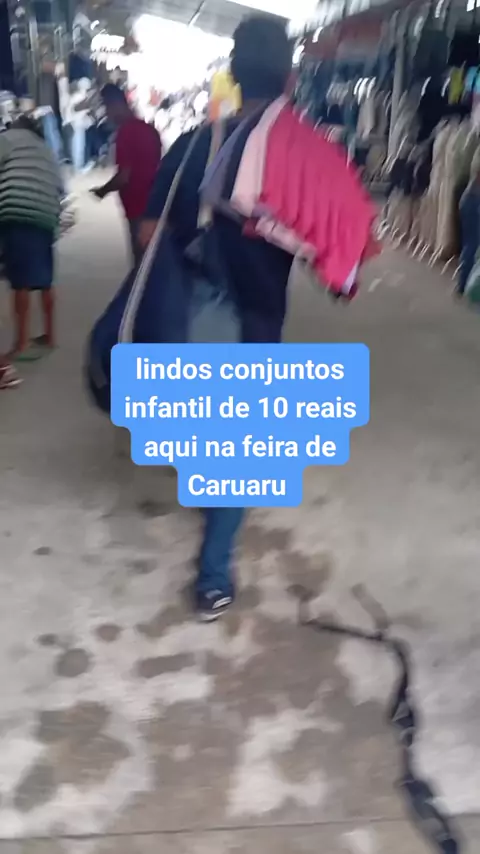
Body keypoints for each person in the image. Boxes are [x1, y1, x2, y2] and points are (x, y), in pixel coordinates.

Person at [138, 15, 294, 621]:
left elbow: (148, 233)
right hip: (257, 321)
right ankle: (211, 578)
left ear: (232, 74)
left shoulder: (192, 146)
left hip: (193, 313)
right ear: (290, 79)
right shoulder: (299, 155)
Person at [0, 115, 62, 359]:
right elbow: (60, 185)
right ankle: (50, 335)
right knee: (45, 279)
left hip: (18, 209)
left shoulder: (8, 138)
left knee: (21, 281)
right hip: (46, 214)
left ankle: (22, 342)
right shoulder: (46, 150)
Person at [91, 83, 162, 266]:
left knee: (140, 266)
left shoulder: (125, 133)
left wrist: (103, 191)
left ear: (116, 105)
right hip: (155, 205)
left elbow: (124, 176)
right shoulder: (150, 130)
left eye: (107, 108)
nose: (107, 115)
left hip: (138, 208)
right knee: (152, 264)